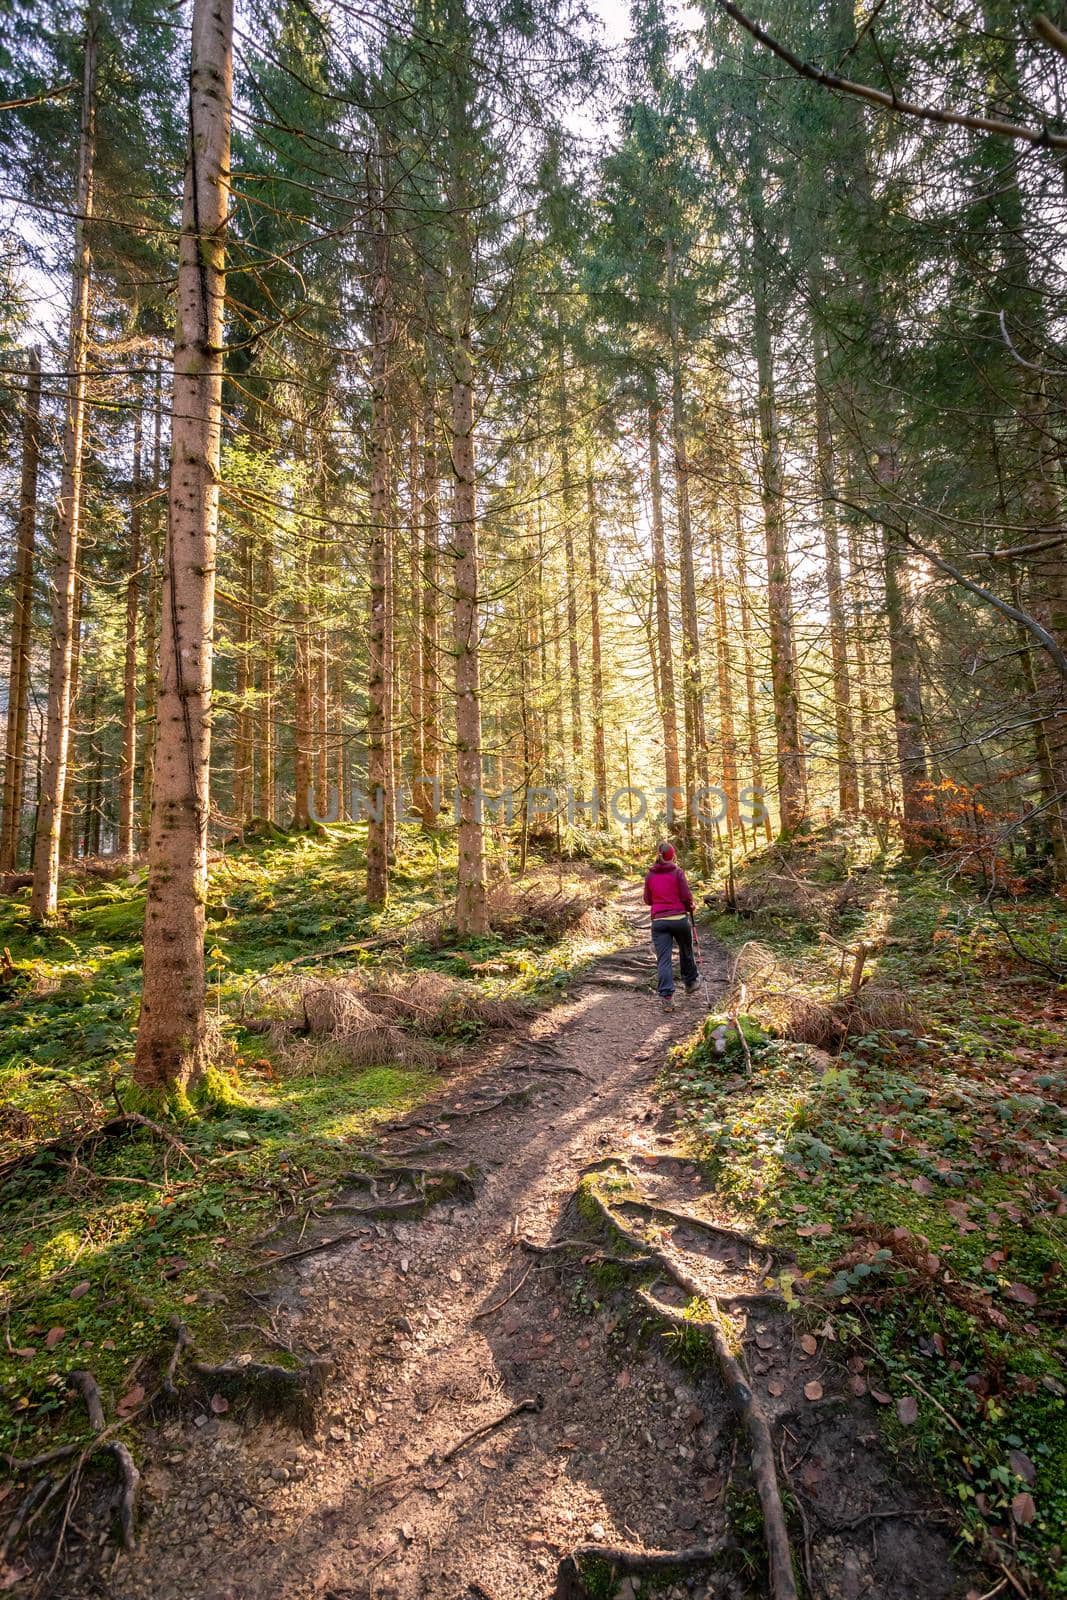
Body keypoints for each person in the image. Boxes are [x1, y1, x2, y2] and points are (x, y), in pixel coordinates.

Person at [643, 841, 700, 1012]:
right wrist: (690, 906)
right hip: (679, 919)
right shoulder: (677, 872)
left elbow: (647, 900)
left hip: (659, 922)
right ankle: (690, 982)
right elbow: (686, 896)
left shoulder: (650, 875)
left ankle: (667, 996)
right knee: (686, 949)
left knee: (664, 959)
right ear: (672, 856)